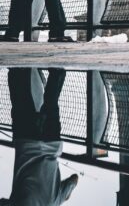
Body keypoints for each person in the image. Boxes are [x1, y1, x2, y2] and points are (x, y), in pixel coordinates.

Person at [0, 67, 79, 205]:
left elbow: (74, 179)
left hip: (51, 144)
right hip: (26, 144)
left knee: (51, 102)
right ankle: (20, 62)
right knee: (20, 96)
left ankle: (57, 67)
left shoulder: (55, 202)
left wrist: (65, 194)